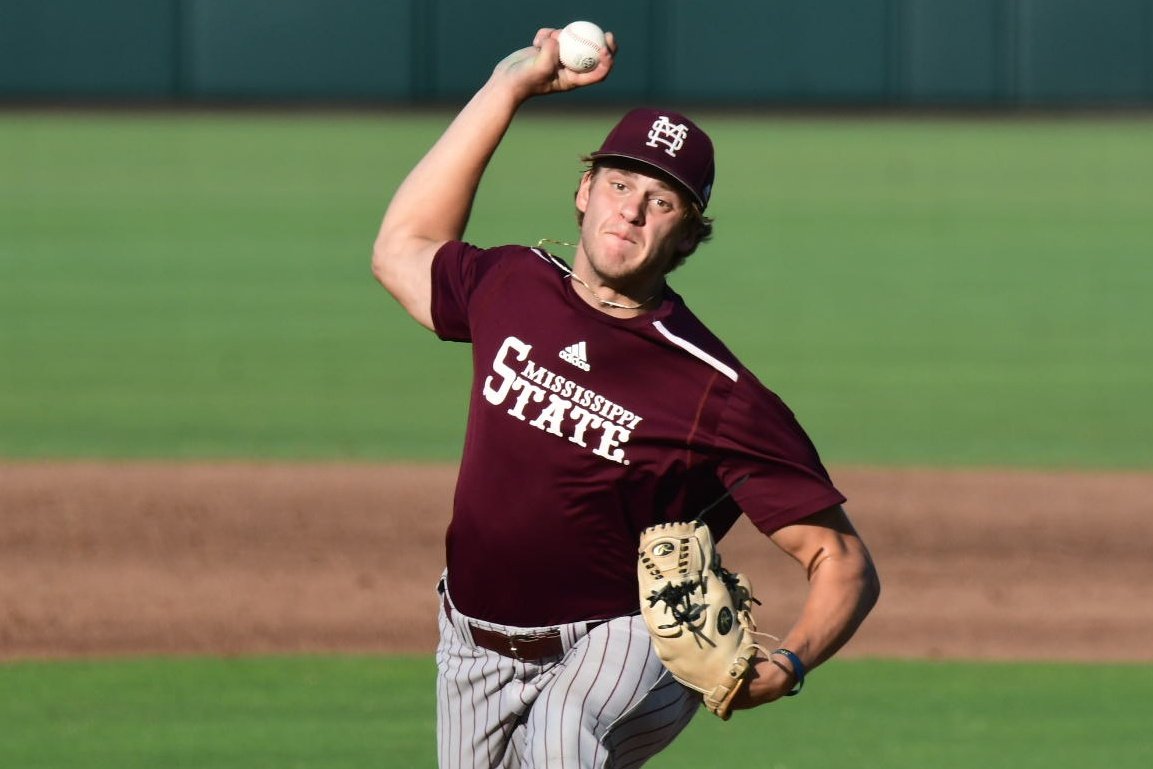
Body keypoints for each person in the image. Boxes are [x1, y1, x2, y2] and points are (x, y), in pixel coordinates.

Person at [372, 25, 880, 769]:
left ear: (686, 239)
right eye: (618, 184)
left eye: (661, 201)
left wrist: (790, 664)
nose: (631, 211)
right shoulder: (511, 285)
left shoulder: (714, 389)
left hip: (622, 640)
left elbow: (840, 558)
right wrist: (506, 87)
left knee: (557, 746)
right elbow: (400, 247)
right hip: (470, 641)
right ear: (583, 191)